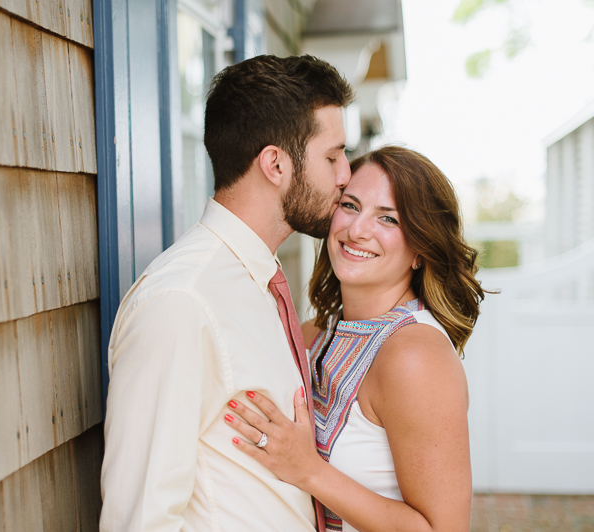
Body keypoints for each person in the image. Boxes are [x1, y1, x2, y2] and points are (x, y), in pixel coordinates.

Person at [100, 55, 354, 531]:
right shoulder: (181, 302)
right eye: (333, 156)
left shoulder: (256, 281)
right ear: (275, 164)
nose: (346, 175)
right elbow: (140, 520)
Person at [225, 146, 486, 532]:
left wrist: (308, 471)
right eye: (350, 205)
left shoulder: (414, 355)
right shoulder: (314, 333)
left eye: (388, 219)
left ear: (420, 250)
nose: (357, 229)